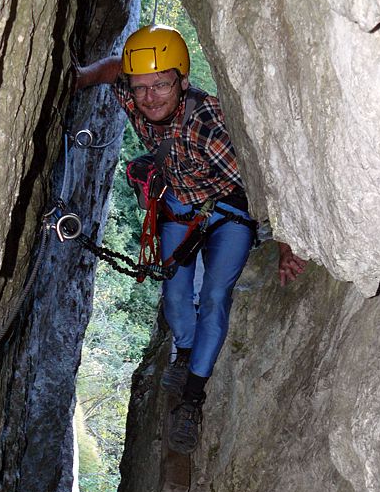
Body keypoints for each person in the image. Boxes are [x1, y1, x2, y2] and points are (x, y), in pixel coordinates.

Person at [76, 24, 306, 454]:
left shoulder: (207, 123)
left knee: (215, 295)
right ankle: (184, 353)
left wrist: (286, 245)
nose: (150, 98)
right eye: (142, 87)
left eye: (161, 85)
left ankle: (193, 401)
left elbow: (257, 188)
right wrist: (81, 77)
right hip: (180, 207)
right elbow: (112, 71)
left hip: (228, 213)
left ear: (182, 82)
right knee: (176, 294)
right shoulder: (133, 95)